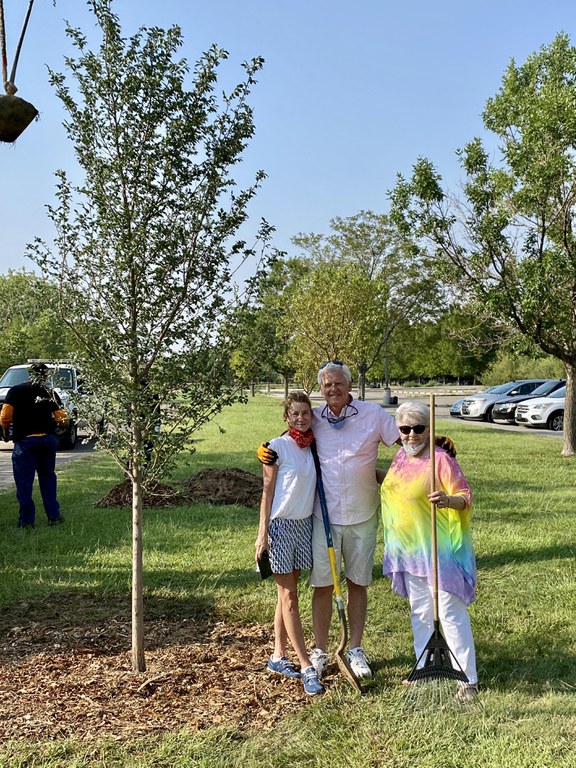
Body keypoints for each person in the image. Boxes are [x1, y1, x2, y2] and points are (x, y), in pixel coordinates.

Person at [260, 361, 400, 680]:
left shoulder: (373, 415)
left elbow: (405, 442)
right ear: (320, 389)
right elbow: (291, 434)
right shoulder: (315, 418)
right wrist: (266, 450)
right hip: (324, 516)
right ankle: (320, 650)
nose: (332, 389)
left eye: (338, 384)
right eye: (326, 385)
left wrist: (430, 454)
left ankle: (355, 648)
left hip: (363, 514)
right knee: (322, 584)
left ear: (349, 385)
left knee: (358, 581)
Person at [380, 400, 478, 701]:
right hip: (409, 550)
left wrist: (449, 501)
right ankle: (423, 668)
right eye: (405, 429)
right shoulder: (399, 457)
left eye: (418, 428)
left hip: (439, 550)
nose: (411, 435)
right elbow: (392, 486)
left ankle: (468, 679)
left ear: (429, 429)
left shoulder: (440, 459)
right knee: (420, 612)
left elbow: (465, 495)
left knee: (449, 612)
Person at [255, 391, 324, 696]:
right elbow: (267, 493)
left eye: (305, 413)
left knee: (285, 596)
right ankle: (306, 664)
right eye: (294, 414)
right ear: (286, 417)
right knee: (290, 599)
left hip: (304, 525)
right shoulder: (276, 447)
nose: (300, 418)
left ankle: (277, 656)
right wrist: (262, 534)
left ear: (312, 415)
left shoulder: (313, 447)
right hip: (281, 527)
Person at [0, 362, 69, 529]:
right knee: (48, 478)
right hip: (47, 440)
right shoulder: (49, 392)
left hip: (25, 442)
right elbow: (62, 418)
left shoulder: (15, 391)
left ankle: (26, 521)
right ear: (45, 376)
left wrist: (4, 431)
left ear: (30, 374)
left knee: (24, 482)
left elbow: (5, 416)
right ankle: (53, 516)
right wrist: (61, 429)